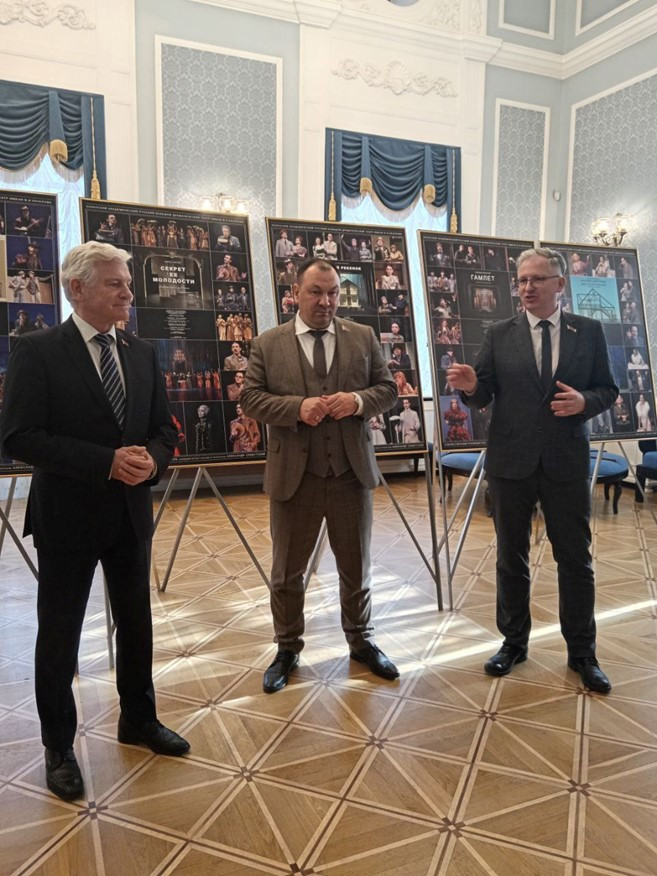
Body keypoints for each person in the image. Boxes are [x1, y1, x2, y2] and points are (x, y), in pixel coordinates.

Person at [0, 241, 189, 802]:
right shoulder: (37, 350)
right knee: (60, 634)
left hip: (130, 514)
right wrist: (105, 461)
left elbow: (163, 430)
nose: (128, 293)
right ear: (77, 288)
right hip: (67, 517)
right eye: (116, 283)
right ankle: (59, 746)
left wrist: (154, 460)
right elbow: (18, 437)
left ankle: (139, 719)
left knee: (137, 623)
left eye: (127, 283)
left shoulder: (140, 351)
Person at [446, 247, 617, 694]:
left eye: (538, 279)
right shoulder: (499, 333)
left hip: (565, 461)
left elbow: (608, 388)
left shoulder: (589, 331)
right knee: (511, 558)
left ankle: (583, 653)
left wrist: (584, 402)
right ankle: (513, 643)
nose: (527, 287)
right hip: (510, 463)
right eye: (522, 279)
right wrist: (470, 388)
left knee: (575, 560)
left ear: (559, 284)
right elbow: (483, 394)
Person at [240, 257, 399, 693]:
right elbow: (250, 399)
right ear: (295, 293)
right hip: (295, 477)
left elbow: (388, 390)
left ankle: (361, 641)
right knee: (287, 573)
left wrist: (358, 401)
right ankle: (287, 648)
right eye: (316, 292)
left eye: (333, 293)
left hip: (350, 473)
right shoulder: (268, 344)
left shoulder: (362, 337)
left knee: (356, 566)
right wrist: (297, 408)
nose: (326, 301)